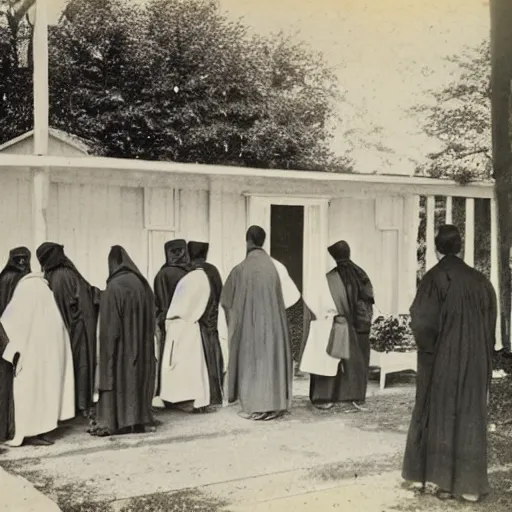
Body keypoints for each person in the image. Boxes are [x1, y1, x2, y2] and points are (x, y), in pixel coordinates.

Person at [402, 225, 497, 503]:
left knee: (443, 416)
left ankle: (443, 482)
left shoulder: (433, 279)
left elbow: (423, 324)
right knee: (470, 416)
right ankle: (469, 486)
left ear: (436, 248)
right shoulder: (481, 281)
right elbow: (491, 326)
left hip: (444, 360)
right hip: (477, 360)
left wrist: (430, 354)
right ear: (460, 247)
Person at [220, 225, 300, 421]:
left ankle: (258, 406)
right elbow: (293, 298)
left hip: (250, 326)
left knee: (254, 363)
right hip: (274, 325)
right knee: (272, 362)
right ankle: (276, 404)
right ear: (263, 241)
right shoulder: (277, 267)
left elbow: (225, 301)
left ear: (247, 241)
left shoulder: (240, 268)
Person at [1, 270, 75, 446]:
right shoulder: (45, 290)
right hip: (46, 354)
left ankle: (23, 433)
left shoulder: (25, 289)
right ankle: (41, 431)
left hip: (28, 353)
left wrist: (12, 351)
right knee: (44, 392)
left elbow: (9, 322)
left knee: (26, 392)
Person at [90, 246, 156, 436]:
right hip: (141, 345)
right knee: (135, 380)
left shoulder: (114, 286)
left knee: (118, 379)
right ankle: (136, 420)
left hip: (121, 348)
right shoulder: (141, 284)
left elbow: (110, 328)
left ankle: (114, 422)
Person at [301, 241, 374, 411]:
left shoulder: (330, 278)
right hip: (358, 325)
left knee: (327, 356)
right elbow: (368, 299)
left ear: (334, 256)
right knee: (355, 359)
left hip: (336, 322)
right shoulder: (361, 273)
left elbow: (323, 304)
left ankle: (325, 397)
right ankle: (354, 397)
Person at [36, 242, 99, 417]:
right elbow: (84, 297)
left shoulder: (47, 277)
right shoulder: (67, 275)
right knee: (81, 364)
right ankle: (81, 405)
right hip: (77, 327)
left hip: (59, 330)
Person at [187, 241, 225, 407]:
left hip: (195, 323)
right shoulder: (213, 270)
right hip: (212, 321)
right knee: (213, 359)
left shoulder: (189, 270)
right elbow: (220, 294)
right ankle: (215, 396)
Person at [0, 247, 31, 442]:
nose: (21, 263)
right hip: (9, 338)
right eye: (18, 260)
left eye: (24, 259)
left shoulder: (6, 278)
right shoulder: (17, 280)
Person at [153, 239, 190, 400]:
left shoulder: (162, 274)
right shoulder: (190, 273)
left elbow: (160, 301)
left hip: (167, 322)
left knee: (168, 358)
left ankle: (167, 394)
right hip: (188, 323)